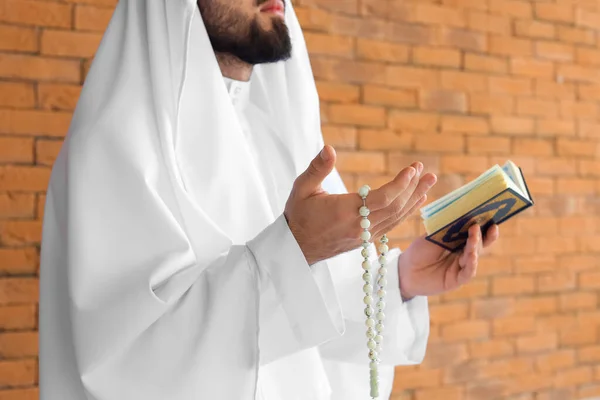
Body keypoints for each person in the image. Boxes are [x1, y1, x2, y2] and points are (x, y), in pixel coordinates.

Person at [38, 0, 500, 399]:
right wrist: (294, 250)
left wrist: (399, 281)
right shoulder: (117, 150)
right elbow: (129, 362)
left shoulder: (277, 138)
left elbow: (309, 322)